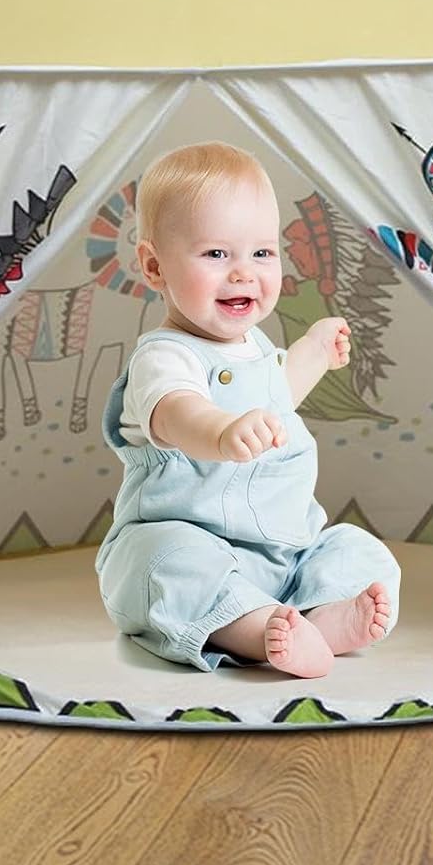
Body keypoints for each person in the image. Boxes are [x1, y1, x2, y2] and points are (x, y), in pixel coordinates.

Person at [95, 142, 400, 677]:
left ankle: (321, 615)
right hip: (190, 542)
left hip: (285, 554)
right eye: (216, 254)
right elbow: (177, 412)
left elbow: (277, 396)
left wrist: (312, 352)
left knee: (359, 550)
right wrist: (221, 432)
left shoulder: (255, 347)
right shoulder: (164, 357)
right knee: (167, 565)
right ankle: (255, 632)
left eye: (262, 253)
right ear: (154, 266)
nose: (243, 273)